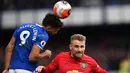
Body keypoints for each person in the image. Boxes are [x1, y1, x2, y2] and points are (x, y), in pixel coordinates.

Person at [35, 34, 108, 73]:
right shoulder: (61, 57)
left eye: (82, 46)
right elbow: (48, 70)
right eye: (76, 46)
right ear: (70, 47)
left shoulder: (90, 61)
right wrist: (42, 69)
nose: (79, 50)